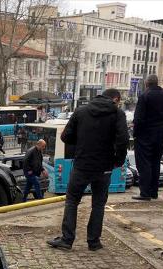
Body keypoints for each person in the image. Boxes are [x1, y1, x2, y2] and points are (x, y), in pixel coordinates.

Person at [48, 88, 129, 251]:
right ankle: (94, 242)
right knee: (98, 204)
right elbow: (123, 140)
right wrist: (117, 161)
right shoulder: (117, 114)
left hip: (82, 164)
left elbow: (65, 137)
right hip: (104, 166)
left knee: (72, 201)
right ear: (116, 99)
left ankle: (67, 239)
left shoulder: (81, 111)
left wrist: (82, 142)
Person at [132, 75, 163, 201]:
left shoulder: (144, 96)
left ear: (147, 84)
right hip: (160, 133)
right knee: (155, 162)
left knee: (144, 163)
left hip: (145, 134)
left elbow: (138, 119)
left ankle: (145, 193)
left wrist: (135, 134)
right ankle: (154, 191)